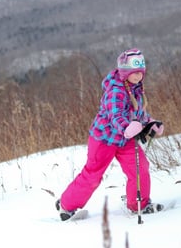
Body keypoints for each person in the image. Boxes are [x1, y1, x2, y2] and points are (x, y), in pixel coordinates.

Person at [56, 48, 165, 221]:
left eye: (140, 73)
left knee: (139, 167)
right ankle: (66, 205)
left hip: (125, 140)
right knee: (93, 175)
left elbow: (137, 112)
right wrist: (126, 128)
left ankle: (139, 204)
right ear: (124, 72)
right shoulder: (116, 90)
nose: (138, 76)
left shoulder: (136, 88)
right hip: (104, 139)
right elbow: (115, 116)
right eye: (134, 72)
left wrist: (150, 122)